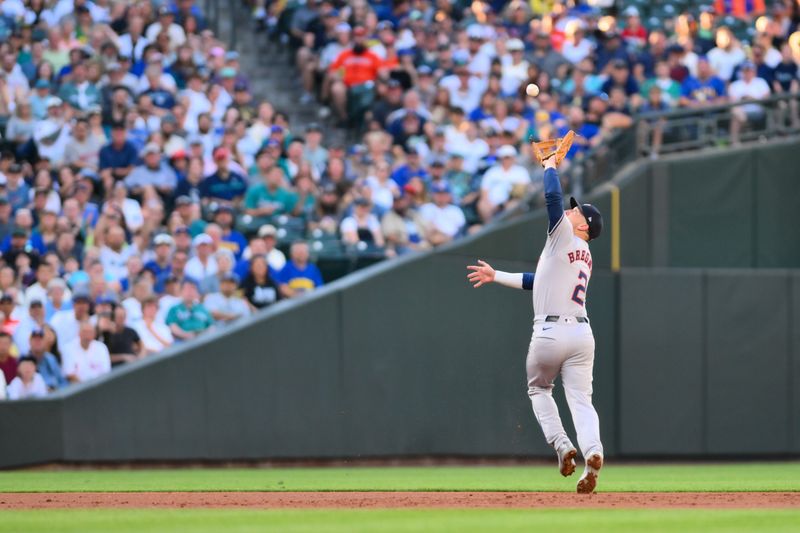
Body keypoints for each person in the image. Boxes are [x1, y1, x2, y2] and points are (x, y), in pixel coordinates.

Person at [466, 151, 604, 494]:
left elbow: (552, 199)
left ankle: (561, 445)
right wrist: (497, 275)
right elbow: (537, 280)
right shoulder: (584, 254)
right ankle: (593, 452)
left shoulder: (563, 237)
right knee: (581, 400)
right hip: (582, 333)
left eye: (578, 211)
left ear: (583, 226)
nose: (572, 211)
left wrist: (550, 165)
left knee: (539, 388)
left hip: (550, 332)